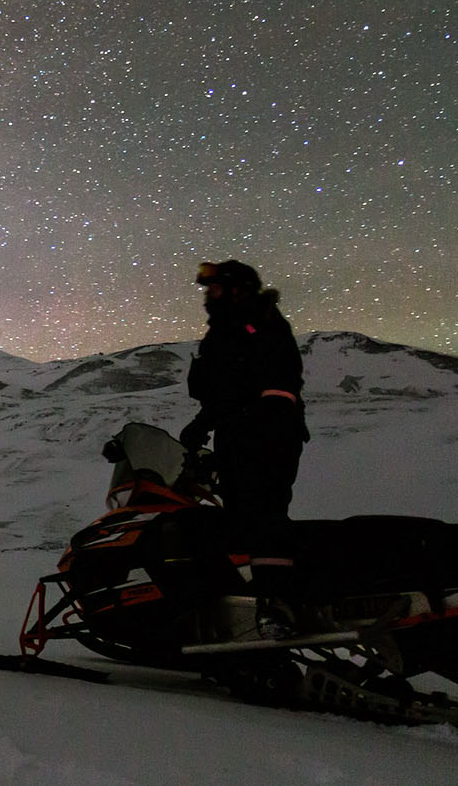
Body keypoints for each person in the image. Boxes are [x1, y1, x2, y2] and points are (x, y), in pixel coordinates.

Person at [179, 259, 309, 637]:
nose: (207, 295)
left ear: (236, 289)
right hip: (238, 436)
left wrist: (263, 426)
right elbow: (226, 391)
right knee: (237, 518)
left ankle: (279, 606)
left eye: (214, 288)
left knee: (263, 513)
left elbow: (273, 382)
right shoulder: (226, 328)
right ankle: (240, 605)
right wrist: (204, 425)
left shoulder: (259, 322)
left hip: (267, 436)